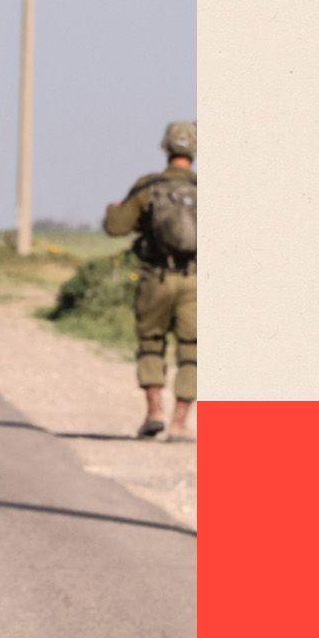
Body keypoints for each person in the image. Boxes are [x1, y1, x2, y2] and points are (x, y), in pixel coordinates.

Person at [105, 121, 197, 439]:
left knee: (151, 344)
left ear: (166, 147)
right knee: (192, 350)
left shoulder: (148, 186)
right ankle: (180, 423)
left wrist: (112, 210)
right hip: (196, 281)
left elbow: (116, 227)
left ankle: (154, 411)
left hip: (155, 278)